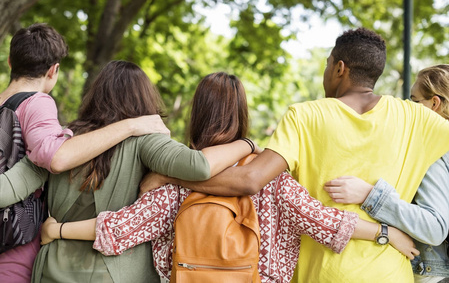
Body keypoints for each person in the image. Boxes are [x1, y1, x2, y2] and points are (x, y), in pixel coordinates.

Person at [136, 28, 449, 282]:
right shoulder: (418, 118)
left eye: (327, 63)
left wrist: (171, 176)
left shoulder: (305, 115)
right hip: (388, 273)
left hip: (318, 275)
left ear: (340, 68)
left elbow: (250, 180)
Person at [40, 72, 416, 282]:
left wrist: (56, 230)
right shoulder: (272, 178)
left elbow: (119, 231)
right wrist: (388, 233)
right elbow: (329, 223)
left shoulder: (173, 178)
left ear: (196, 115)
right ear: (243, 114)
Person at [0, 61, 257, 282]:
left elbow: (6, 190)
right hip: (116, 273)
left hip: (52, 271)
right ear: (144, 98)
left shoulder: (62, 141)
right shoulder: (146, 141)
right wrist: (248, 144)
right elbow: (199, 166)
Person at [0, 23, 168, 282]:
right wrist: (133, 124)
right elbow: (56, 157)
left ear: (10, 61)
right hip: (15, 238)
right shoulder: (37, 102)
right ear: (53, 70)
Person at [324, 64, 449, 283]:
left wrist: (370, 195)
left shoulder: (435, 152)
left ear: (435, 104)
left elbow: (434, 228)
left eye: (414, 100)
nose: (408, 106)